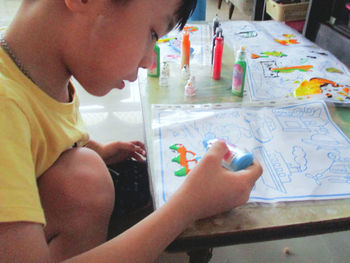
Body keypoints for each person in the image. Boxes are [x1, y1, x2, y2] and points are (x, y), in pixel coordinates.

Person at [0, 0, 263, 262]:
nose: (150, 61)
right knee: (88, 179)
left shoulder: (40, 73)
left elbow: (46, 128)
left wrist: (97, 149)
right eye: (153, 34)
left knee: (87, 176)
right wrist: (188, 206)